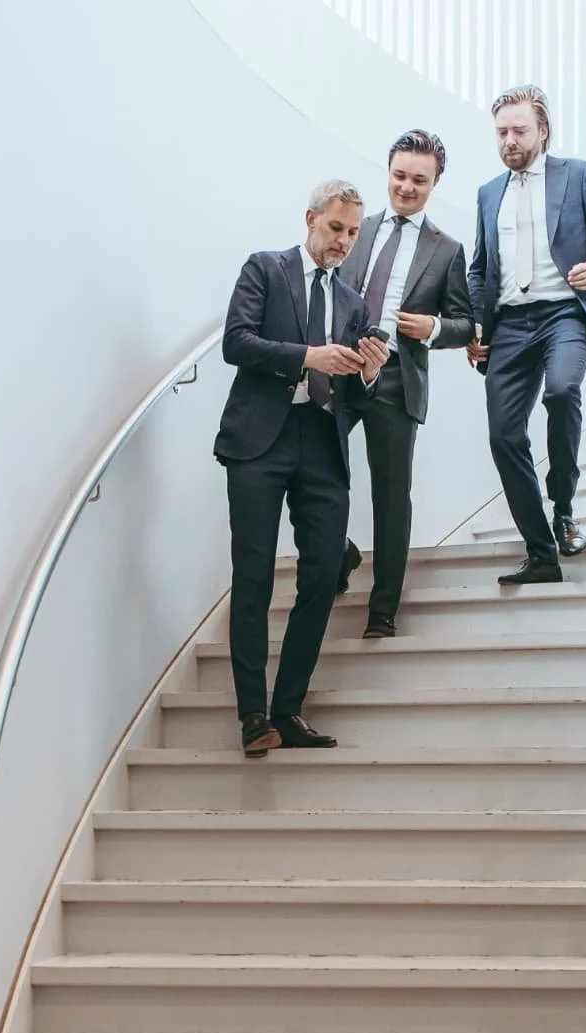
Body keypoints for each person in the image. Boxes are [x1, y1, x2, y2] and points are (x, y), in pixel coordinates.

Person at [214, 180, 389, 757]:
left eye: (353, 233)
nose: (342, 241)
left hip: (320, 442)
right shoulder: (265, 270)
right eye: (335, 228)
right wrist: (308, 356)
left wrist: (366, 373)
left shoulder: (354, 306)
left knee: (320, 575)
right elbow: (236, 343)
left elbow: (358, 404)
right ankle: (252, 715)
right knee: (256, 574)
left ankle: (288, 708)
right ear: (311, 219)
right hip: (260, 440)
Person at [467, 84, 586, 583]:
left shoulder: (576, 175)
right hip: (510, 323)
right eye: (501, 132)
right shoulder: (487, 192)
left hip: (564, 314)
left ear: (543, 132)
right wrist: (476, 322)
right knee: (503, 435)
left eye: (519, 130)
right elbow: (479, 269)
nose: (509, 140)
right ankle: (541, 553)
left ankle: (563, 506)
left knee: (561, 391)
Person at [337, 129, 475, 637]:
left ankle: (383, 608)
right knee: (312, 476)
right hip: (340, 367)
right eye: (399, 176)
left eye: (419, 179)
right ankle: (340, 557)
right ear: (388, 172)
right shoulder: (359, 229)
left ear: (435, 183)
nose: (407, 187)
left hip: (396, 381)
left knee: (391, 497)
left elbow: (464, 322)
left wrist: (434, 328)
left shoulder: (447, 249)